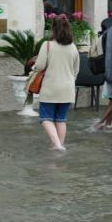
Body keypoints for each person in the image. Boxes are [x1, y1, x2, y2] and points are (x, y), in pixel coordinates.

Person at [35, 16, 80, 151]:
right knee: (60, 119)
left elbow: (40, 66)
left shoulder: (47, 45)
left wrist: (33, 67)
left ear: (53, 29)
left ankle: (58, 145)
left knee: (45, 118)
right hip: (67, 89)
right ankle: (59, 146)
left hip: (50, 88)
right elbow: (76, 70)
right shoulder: (73, 47)